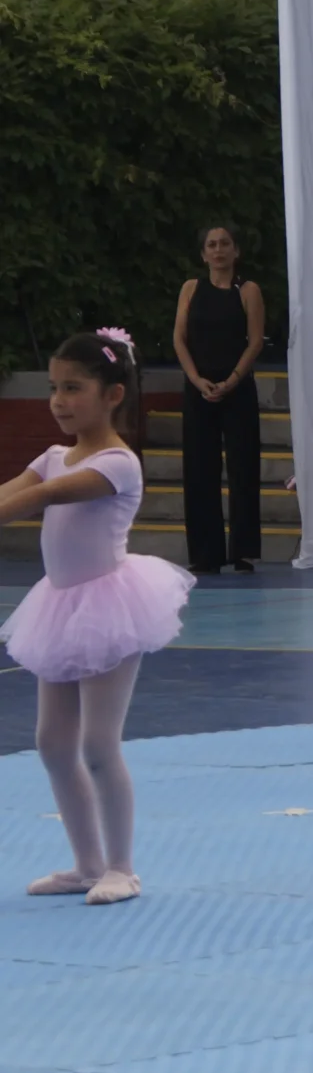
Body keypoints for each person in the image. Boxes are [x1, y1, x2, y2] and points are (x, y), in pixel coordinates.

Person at [0, 330, 194, 904]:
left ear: (113, 395)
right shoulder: (52, 456)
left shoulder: (119, 463)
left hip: (110, 607)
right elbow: (14, 488)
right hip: (59, 607)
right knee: (52, 743)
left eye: (73, 388)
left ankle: (122, 868)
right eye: (54, 388)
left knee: (98, 744)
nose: (59, 400)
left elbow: (42, 497)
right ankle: (86, 865)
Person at [172, 224, 266, 575]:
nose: (218, 250)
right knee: (199, 469)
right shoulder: (190, 289)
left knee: (243, 467)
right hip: (199, 389)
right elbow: (179, 338)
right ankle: (205, 553)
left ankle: (243, 551)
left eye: (225, 244)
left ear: (235, 250)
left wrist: (232, 380)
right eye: (211, 245)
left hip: (237, 388)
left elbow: (255, 341)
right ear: (203, 254)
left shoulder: (248, 290)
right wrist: (197, 379)